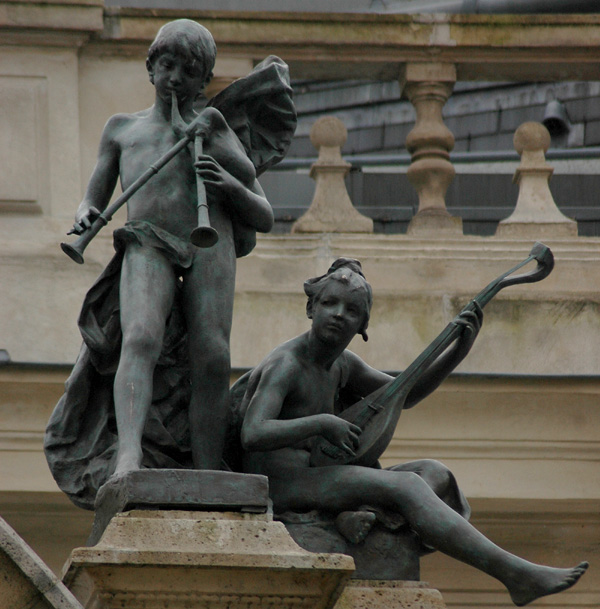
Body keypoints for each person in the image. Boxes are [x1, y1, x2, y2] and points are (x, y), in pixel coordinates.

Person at [44, 19, 296, 506]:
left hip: (209, 243)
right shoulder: (122, 129)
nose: (175, 78)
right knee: (139, 337)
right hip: (146, 240)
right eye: (166, 65)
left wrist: (228, 186)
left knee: (212, 352)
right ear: (151, 67)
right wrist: (85, 215)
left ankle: (206, 468)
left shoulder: (213, 127)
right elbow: (91, 198)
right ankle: (128, 458)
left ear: (203, 81)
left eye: (188, 70)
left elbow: (263, 213)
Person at [239, 258, 588, 607]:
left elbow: (406, 393)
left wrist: (458, 351)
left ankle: (361, 513)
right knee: (406, 486)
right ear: (311, 307)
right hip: (285, 480)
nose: (338, 314)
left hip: (321, 472)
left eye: (352, 310)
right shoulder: (286, 364)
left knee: (433, 473)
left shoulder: (343, 364)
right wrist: (322, 423)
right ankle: (515, 574)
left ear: (363, 325)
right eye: (329, 303)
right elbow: (253, 433)